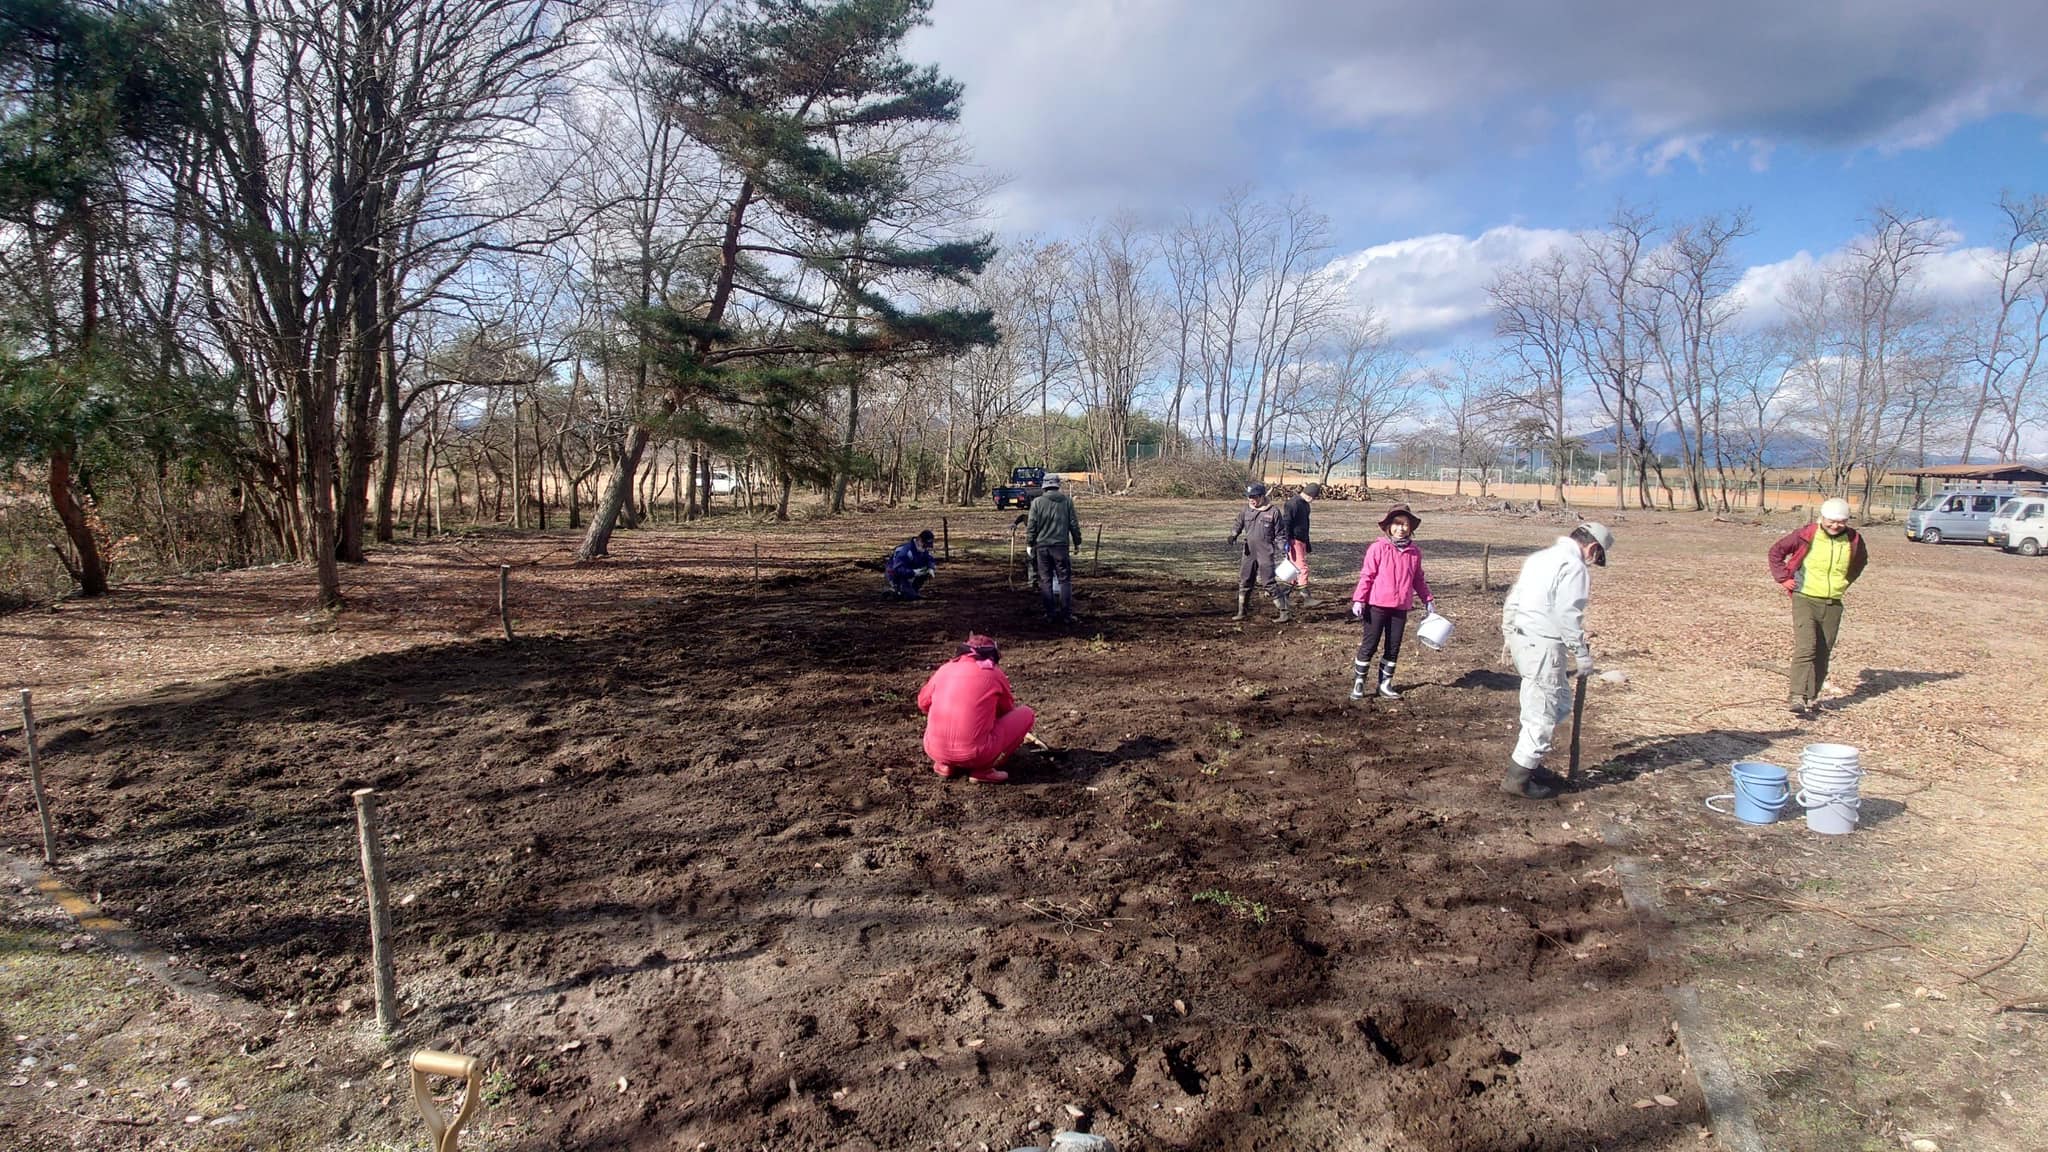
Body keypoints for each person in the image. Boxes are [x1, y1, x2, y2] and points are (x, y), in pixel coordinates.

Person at [1499, 523, 1614, 800]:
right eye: (1596, 557)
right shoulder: (1574, 567)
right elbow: (1567, 613)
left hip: (1524, 638)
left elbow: (1514, 598)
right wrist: (1582, 653)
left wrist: (1508, 633)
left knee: (1557, 701)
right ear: (1593, 547)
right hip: (1543, 644)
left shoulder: (1539, 558)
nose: (1592, 562)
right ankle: (1519, 779)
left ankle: (1530, 762)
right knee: (1543, 712)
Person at [1768, 497, 1869, 715]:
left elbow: (1860, 562)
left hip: (1833, 602)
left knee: (1824, 651)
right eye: (1831, 521)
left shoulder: (1854, 539)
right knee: (1807, 646)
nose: (1835, 525)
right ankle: (1796, 695)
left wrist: (1845, 582)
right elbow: (1776, 552)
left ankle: (1810, 697)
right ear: (1822, 518)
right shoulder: (1806, 535)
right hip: (1805, 597)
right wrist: (1783, 578)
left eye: (1841, 521)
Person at [917, 634, 1036, 783]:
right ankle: (984, 769)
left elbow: (923, 703)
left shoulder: (944, 669)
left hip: (934, 749)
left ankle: (945, 764)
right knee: (1027, 714)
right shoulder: (994, 674)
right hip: (976, 754)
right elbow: (1006, 710)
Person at [1348, 504, 1436, 700]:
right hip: (1377, 605)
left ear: (1410, 527)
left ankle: (1385, 684)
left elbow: (1418, 579)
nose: (1401, 528)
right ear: (1389, 526)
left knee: (1393, 646)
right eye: (1397, 524)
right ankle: (1359, 682)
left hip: (1400, 607)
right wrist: (1359, 600)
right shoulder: (1378, 548)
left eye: (1405, 524)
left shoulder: (1414, 552)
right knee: (1369, 644)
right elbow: (1367, 575)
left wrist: (1428, 599)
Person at [1227, 482, 1291, 622]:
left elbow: (1280, 534)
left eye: (1254, 497)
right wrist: (1233, 534)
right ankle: (1242, 612)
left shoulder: (1273, 512)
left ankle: (1284, 613)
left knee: (1268, 582)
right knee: (1245, 580)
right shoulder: (1246, 510)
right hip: (1249, 552)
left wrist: (1283, 547)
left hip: (1265, 552)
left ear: (1262, 496)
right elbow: (1238, 524)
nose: (1251, 500)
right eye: (1249, 497)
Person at [1025, 475, 1082, 622]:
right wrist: (1077, 542)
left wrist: (1030, 543)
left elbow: (1031, 525)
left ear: (1044, 486)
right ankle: (1066, 615)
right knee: (1064, 580)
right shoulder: (1067, 501)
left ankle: (1050, 614)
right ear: (1058, 485)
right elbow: (1073, 524)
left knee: (1045, 580)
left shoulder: (1037, 503)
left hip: (1042, 547)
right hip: (1061, 547)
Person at [1280, 483, 1321, 604]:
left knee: (1293, 568)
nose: (1313, 499)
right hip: (1294, 540)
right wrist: (1286, 540)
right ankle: (1306, 597)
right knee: (1302, 567)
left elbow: (1305, 525)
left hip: (1302, 540)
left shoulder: (1305, 505)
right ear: (1309, 494)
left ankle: (1284, 596)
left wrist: (1307, 543)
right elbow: (1286, 523)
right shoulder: (1293, 504)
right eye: (1313, 496)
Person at [885, 530, 937, 600]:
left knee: (925, 572)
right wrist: (914, 572)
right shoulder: (905, 551)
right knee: (908, 596)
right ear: (919, 540)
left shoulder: (922, 549)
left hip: (908, 571)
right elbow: (897, 569)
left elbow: (930, 559)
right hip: (895, 574)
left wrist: (931, 568)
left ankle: (912, 591)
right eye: (925, 545)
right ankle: (894, 591)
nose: (926, 548)